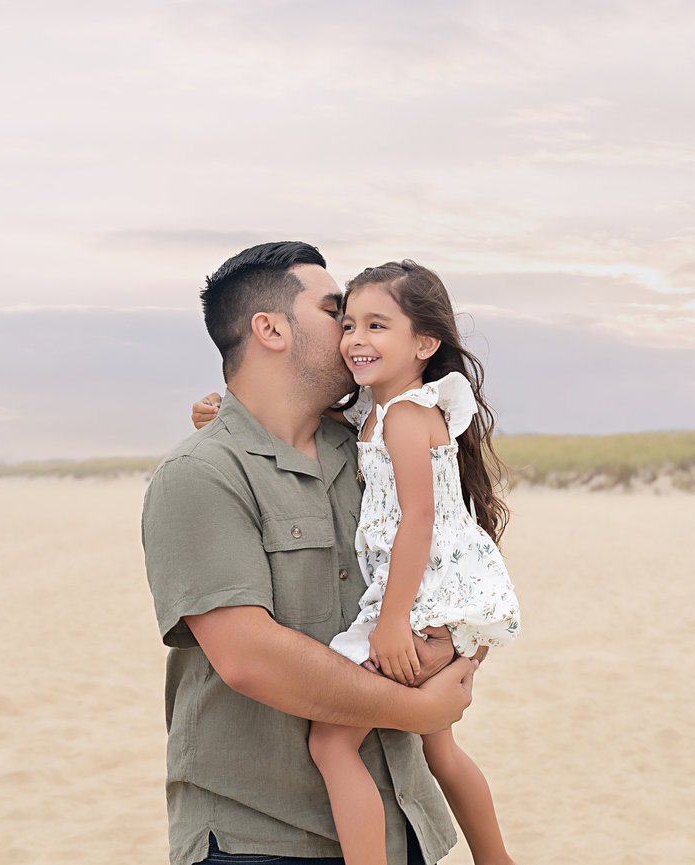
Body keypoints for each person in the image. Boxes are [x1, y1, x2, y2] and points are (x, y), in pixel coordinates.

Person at [142, 241, 479, 865]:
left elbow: (447, 555)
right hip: (261, 838)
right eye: (337, 314)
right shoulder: (201, 474)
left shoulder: (370, 447)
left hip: (402, 827)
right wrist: (419, 708)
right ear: (270, 329)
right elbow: (250, 658)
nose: (354, 332)